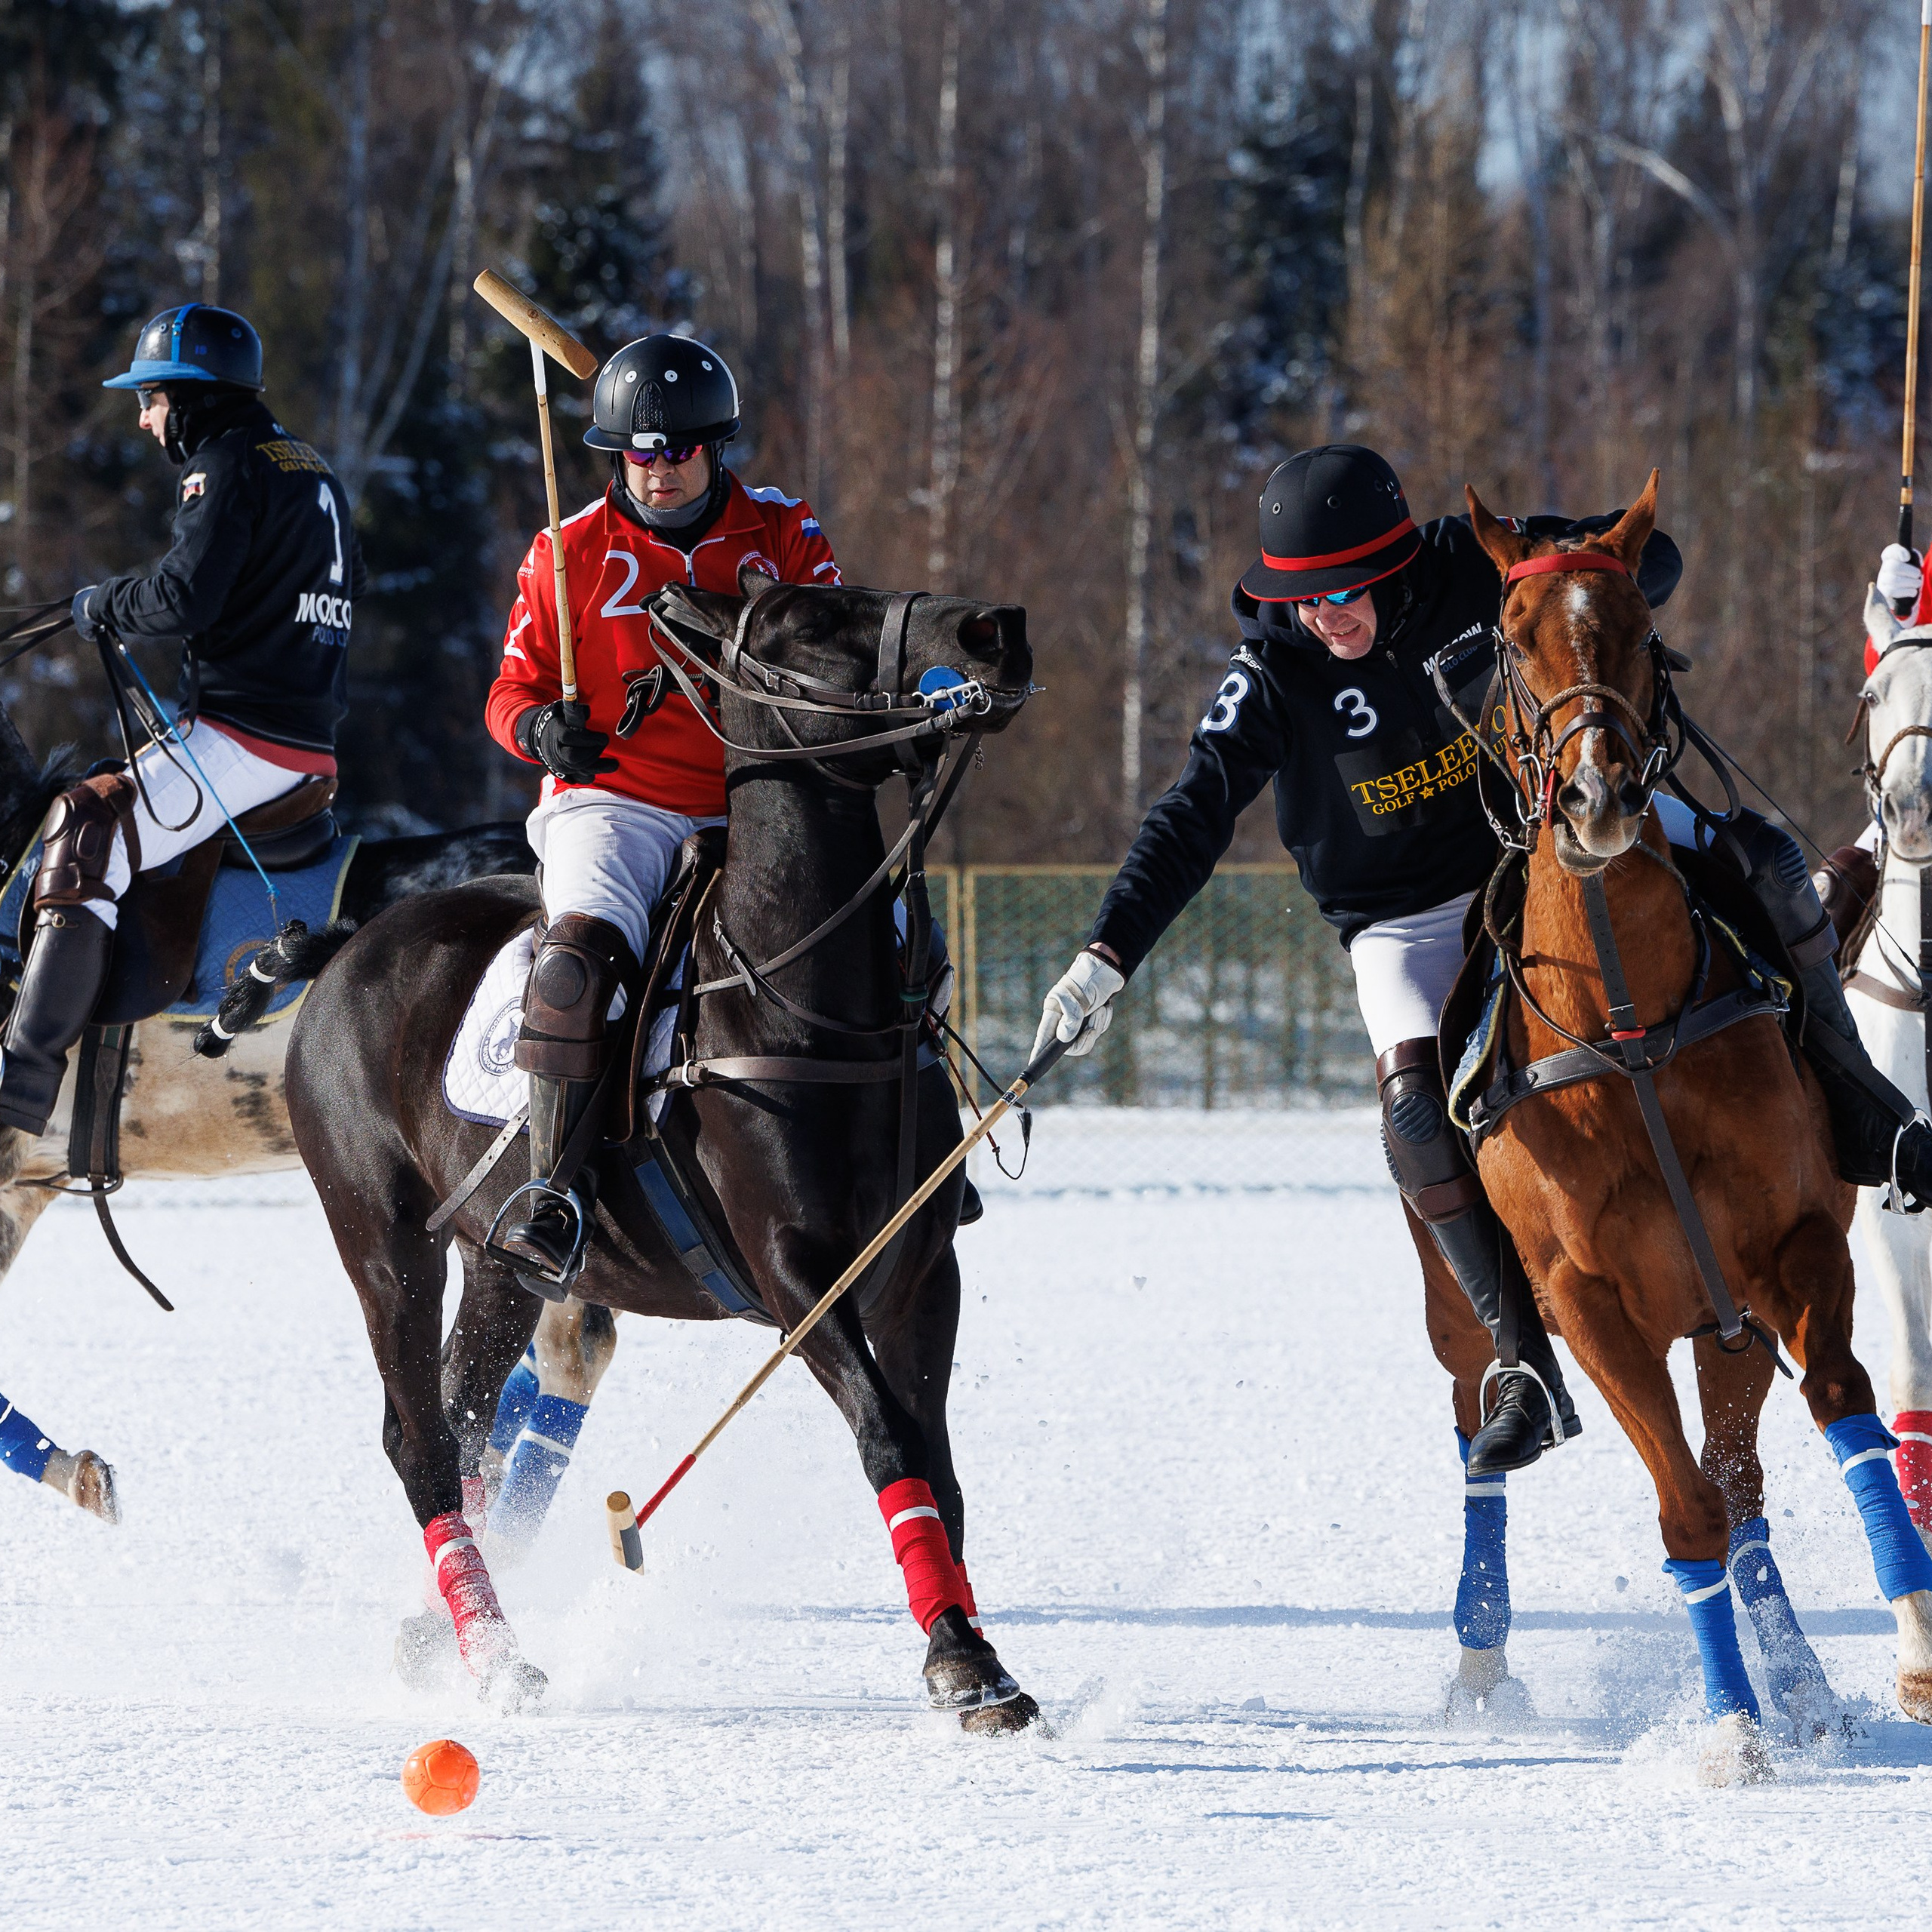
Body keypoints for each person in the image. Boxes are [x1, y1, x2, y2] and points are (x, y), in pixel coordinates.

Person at [1031, 444, 1932, 1478]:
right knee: (1414, 1111)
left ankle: (1863, 1108)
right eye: (1303, 596)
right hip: (1403, 919)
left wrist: (1580, 589)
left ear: (1396, 565)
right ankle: (1523, 1360)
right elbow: (1191, 813)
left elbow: (1652, 557)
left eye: (1344, 590)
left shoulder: (1472, 564)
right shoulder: (1272, 673)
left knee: (1767, 862)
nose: (1324, 615)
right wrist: (1106, 953)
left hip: (1551, 833)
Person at [485, 334, 840, 1287]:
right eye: (638, 452)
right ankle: (554, 1194)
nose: (659, 469)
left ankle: (919, 1144)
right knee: (575, 962)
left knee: (884, 927)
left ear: (714, 448)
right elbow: (508, 692)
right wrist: (540, 734)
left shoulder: (783, 531)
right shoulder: (565, 551)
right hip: (616, 800)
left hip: (755, 794)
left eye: (678, 449)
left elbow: (831, 653)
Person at [0, 303, 363, 1135]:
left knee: (85, 823)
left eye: (151, 399)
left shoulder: (224, 464)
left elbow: (183, 597)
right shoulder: (310, 468)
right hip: (305, 737)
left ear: (193, 396)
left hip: (248, 738)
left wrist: (102, 603)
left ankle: (22, 1075)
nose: (143, 418)